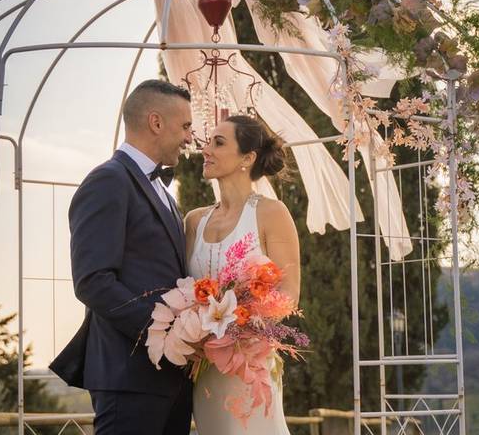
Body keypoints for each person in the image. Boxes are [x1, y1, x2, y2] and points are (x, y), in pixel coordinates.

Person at [50, 79, 195, 434]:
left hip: (170, 377)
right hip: (127, 373)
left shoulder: (161, 189)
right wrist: (164, 333)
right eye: (186, 126)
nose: (190, 137)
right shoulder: (107, 181)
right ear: (156, 123)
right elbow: (93, 281)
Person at [185, 114, 301, 434]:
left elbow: (290, 292)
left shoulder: (271, 213)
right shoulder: (194, 221)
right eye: (208, 141)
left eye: (218, 142)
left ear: (247, 158)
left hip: (250, 366)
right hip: (205, 369)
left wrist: (242, 323)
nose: (206, 149)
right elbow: (182, 290)